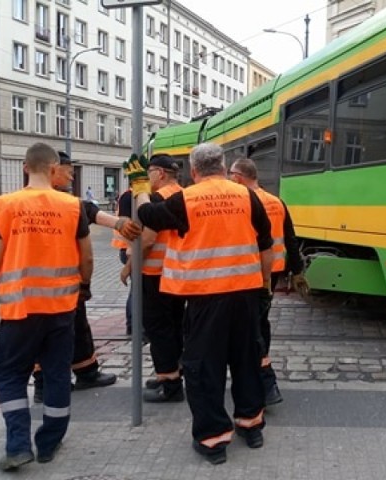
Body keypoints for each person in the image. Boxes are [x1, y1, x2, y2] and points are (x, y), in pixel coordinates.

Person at [124, 143, 273, 465]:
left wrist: (139, 185)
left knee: (204, 367)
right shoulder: (247, 196)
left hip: (206, 298)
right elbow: (265, 244)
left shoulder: (186, 199)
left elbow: (148, 214)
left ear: (194, 171)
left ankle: (213, 439)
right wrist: (265, 287)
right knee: (247, 360)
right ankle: (251, 424)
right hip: (245, 294)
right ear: (222, 166)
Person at [0, 143, 93, 471]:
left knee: (9, 373)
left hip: (19, 310)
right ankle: (49, 442)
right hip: (60, 309)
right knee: (57, 374)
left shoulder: (4, 205)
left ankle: (17, 445)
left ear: (26, 168)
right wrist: (83, 286)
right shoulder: (73, 207)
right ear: (54, 169)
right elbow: (86, 256)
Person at [31, 151, 142, 403]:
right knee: (47, 333)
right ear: (51, 169)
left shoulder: (67, 202)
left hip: (57, 283)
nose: (72, 174)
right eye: (67, 170)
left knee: (77, 326)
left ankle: (85, 372)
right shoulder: (53, 203)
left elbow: (91, 212)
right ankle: (44, 383)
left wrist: (119, 223)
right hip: (48, 285)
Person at [229, 157, 309, 405]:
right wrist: (297, 271)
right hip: (273, 272)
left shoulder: (243, 202)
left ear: (239, 177)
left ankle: (265, 382)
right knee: (261, 320)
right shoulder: (276, 202)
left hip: (251, 273)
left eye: (231, 174)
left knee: (251, 326)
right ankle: (261, 373)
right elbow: (291, 239)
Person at [120, 154, 185, 403]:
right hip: (175, 274)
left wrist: (128, 267)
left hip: (154, 274)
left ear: (159, 173)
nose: (146, 179)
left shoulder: (158, 198)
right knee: (174, 326)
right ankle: (172, 373)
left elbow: (146, 240)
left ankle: (170, 384)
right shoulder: (180, 194)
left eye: (149, 174)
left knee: (159, 331)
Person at [110, 189, 134, 335]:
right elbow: (125, 224)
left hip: (128, 248)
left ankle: (133, 325)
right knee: (138, 288)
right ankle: (132, 325)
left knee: (137, 287)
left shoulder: (130, 194)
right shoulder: (129, 196)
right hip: (128, 249)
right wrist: (130, 249)